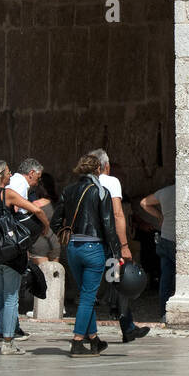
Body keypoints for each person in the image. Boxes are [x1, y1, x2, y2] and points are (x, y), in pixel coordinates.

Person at [0, 159, 49, 355]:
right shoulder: (7, 194)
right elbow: (37, 209)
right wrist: (46, 227)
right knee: (11, 297)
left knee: (2, 293)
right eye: (7, 172)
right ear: (0, 176)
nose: (11, 175)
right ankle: (8, 343)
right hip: (11, 252)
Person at [55, 153, 124, 357]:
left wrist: (64, 233)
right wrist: (116, 251)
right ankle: (77, 342)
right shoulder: (100, 191)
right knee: (87, 297)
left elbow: (55, 221)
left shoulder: (68, 190)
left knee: (86, 293)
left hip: (73, 247)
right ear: (98, 170)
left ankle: (94, 340)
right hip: (93, 248)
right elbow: (108, 224)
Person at [87, 148, 148, 343]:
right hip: (110, 246)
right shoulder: (111, 182)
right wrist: (123, 245)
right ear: (106, 166)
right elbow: (117, 214)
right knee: (119, 282)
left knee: (91, 287)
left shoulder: (83, 183)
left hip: (89, 243)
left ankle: (88, 332)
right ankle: (126, 327)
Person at [139, 183, 176, 322]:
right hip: (177, 239)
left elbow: (144, 203)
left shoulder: (164, 191)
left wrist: (159, 215)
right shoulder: (186, 190)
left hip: (165, 237)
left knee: (165, 278)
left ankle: (163, 313)